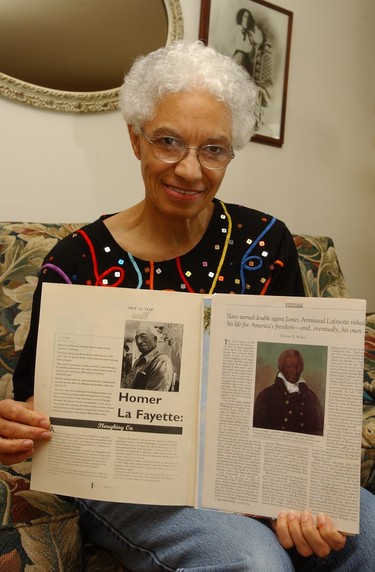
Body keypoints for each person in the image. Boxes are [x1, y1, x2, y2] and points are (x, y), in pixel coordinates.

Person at [0, 41, 374, 571]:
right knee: (253, 561)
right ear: (136, 139)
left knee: (369, 532)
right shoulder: (77, 258)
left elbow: (296, 387)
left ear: (232, 151)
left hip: (247, 464)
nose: (190, 171)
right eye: (168, 142)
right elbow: (34, 396)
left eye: (214, 149)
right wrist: (16, 426)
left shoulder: (265, 242)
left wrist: (302, 488)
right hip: (127, 477)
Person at [254, 349, 324, 435]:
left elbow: (319, 430)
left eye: (298, 366)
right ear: (281, 368)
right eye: (290, 366)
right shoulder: (265, 396)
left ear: (302, 368)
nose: (294, 371)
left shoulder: (312, 397)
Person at [122, 324, 174, 390]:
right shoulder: (137, 361)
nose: (139, 341)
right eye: (136, 338)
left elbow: (153, 397)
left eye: (143, 336)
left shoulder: (162, 362)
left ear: (154, 339)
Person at [232, 8, 263, 76]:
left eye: (248, 17)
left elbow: (259, 40)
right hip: (238, 57)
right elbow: (229, 42)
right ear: (241, 17)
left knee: (247, 80)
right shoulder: (237, 28)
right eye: (245, 16)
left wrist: (255, 27)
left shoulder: (250, 32)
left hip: (247, 60)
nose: (247, 19)